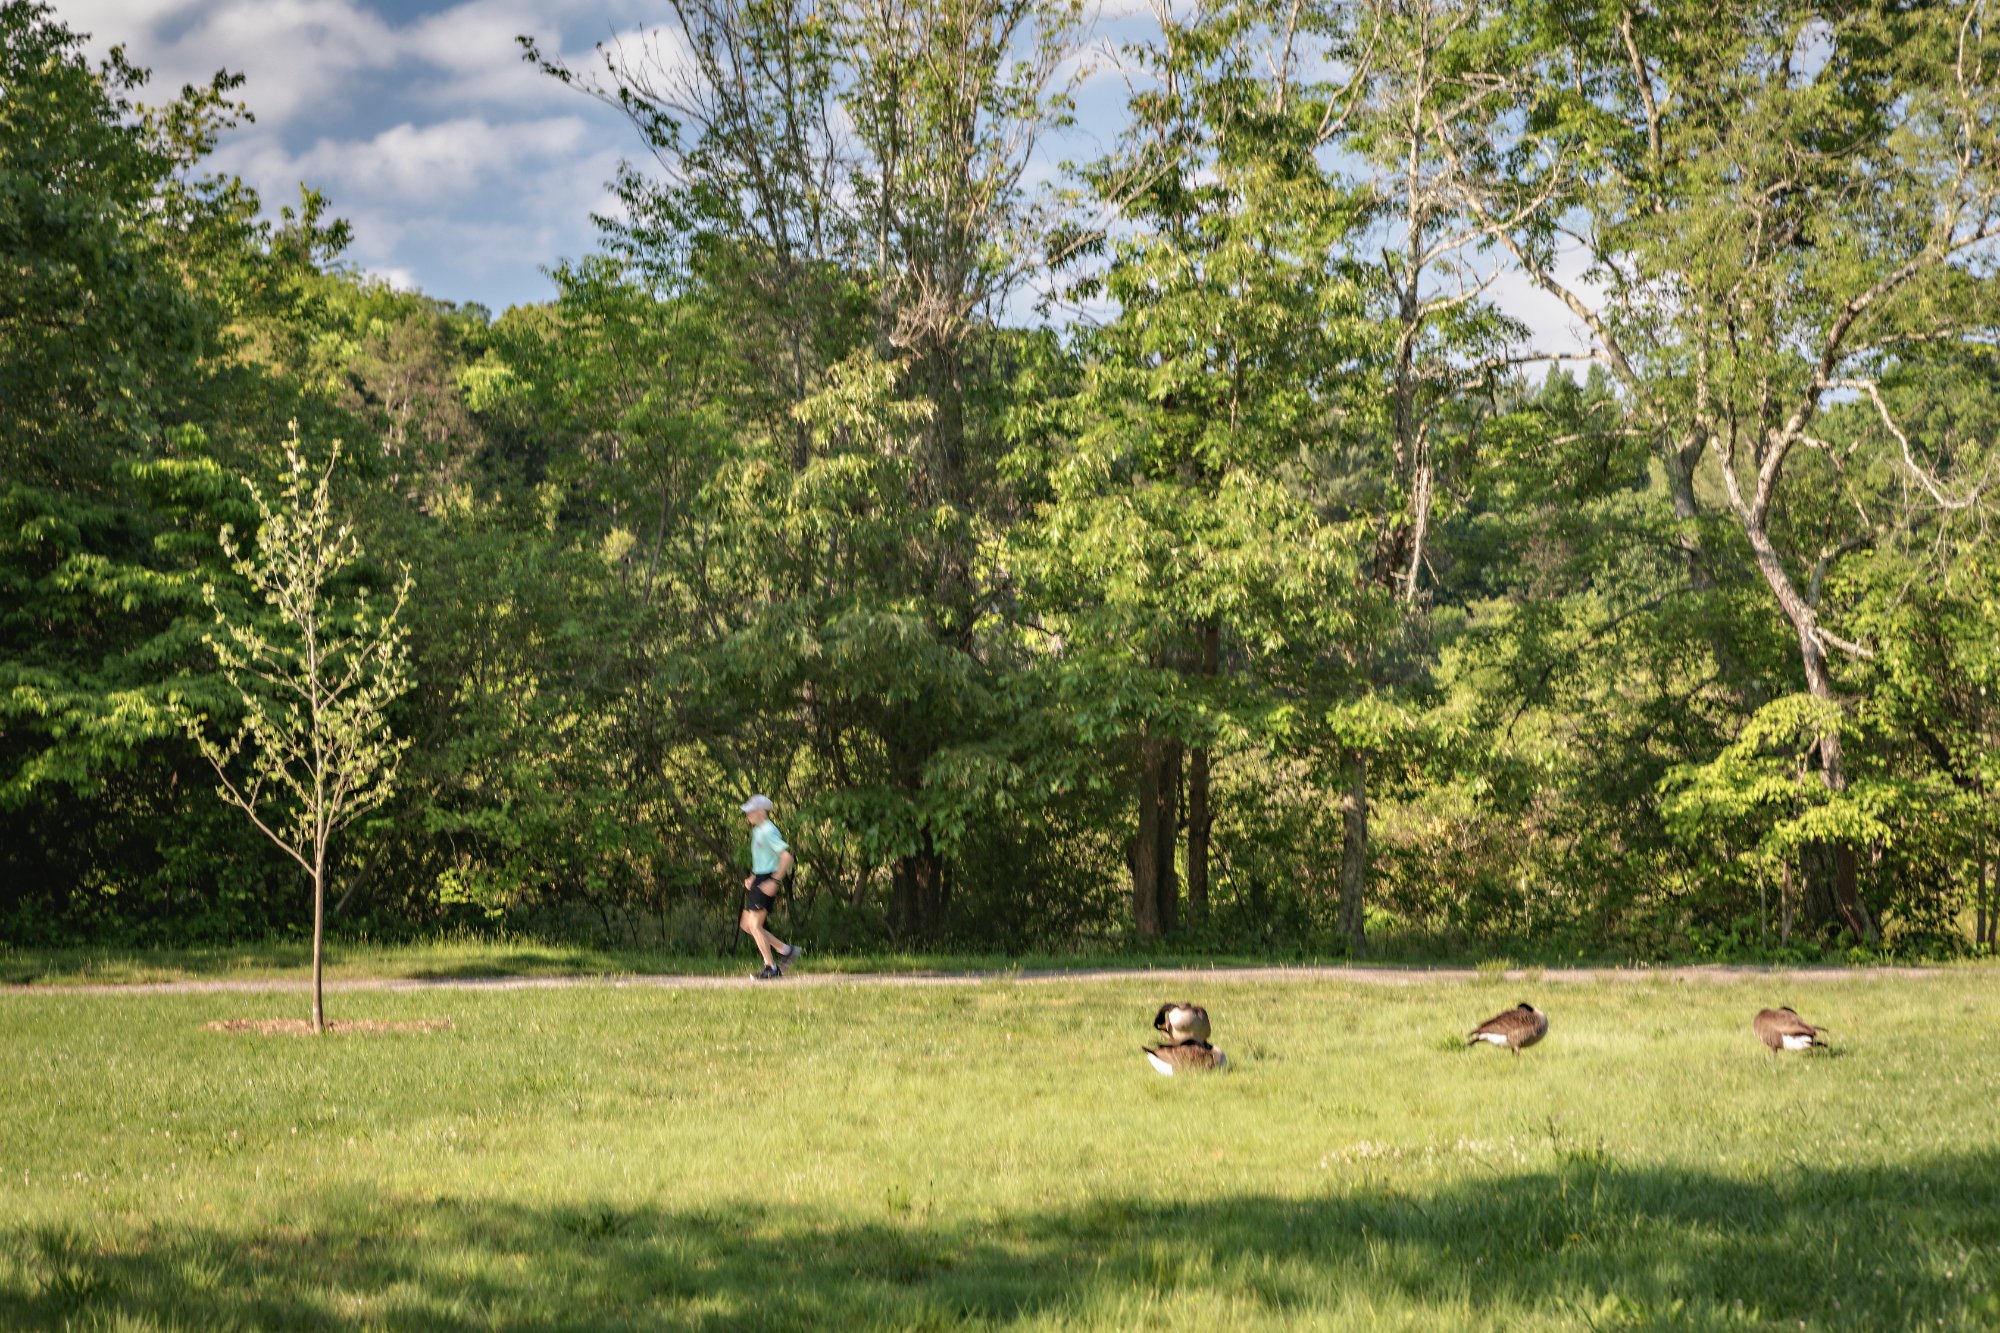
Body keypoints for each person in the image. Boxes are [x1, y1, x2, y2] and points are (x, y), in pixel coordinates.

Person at [738, 794, 801, 979]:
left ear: (761, 811)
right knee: (747, 925)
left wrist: (774, 881)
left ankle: (771, 968)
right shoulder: (757, 831)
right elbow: (764, 858)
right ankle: (786, 950)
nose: (747, 814)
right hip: (759, 879)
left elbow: (786, 857)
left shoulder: (769, 830)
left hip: (767, 880)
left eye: (750, 810)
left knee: (755, 925)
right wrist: (752, 877)